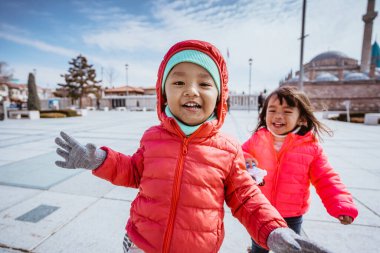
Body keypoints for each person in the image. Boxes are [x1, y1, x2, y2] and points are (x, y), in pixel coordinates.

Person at [54, 40, 331, 253]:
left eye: (204, 83)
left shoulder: (227, 148)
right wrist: (100, 159)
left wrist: (273, 231)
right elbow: (133, 170)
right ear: (164, 94)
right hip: (142, 243)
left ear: (219, 97)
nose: (191, 90)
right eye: (178, 82)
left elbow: (247, 197)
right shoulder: (152, 137)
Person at [242, 86, 358, 253]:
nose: (278, 116)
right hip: (261, 210)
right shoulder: (257, 139)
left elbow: (326, 178)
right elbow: (239, 153)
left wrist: (341, 203)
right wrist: (245, 158)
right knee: (259, 247)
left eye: (287, 111)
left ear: (302, 119)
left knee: (291, 249)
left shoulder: (310, 148)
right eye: (272, 110)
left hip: (292, 214)